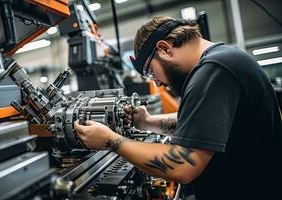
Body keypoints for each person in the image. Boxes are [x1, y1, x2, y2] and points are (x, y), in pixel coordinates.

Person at [74, 16, 282, 200]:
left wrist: (111, 140)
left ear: (165, 48)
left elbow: (182, 166)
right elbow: (202, 125)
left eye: (150, 72)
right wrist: (146, 122)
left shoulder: (212, 71)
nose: (157, 83)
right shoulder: (223, 59)